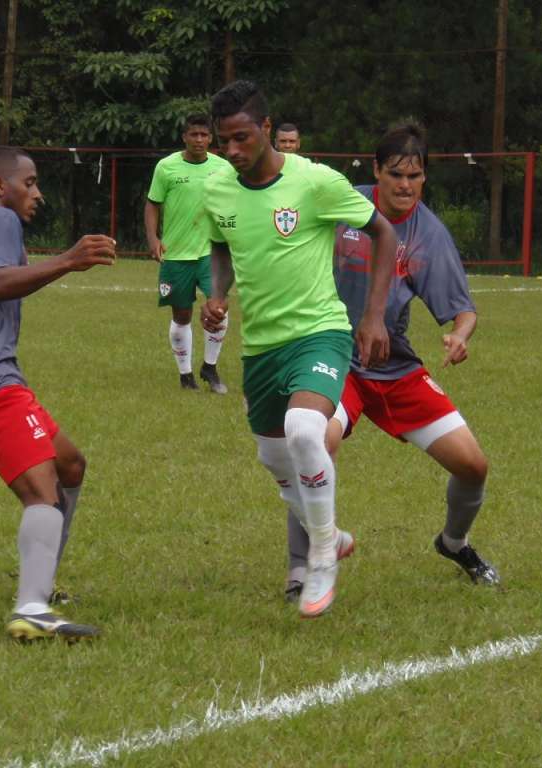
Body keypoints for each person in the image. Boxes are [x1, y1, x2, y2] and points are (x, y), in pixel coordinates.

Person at [201, 81, 398, 618]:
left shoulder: (314, 181)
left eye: (243, 138)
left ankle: (320, 557)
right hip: (261, 347)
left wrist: (374, 315)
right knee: (275, 460)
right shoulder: (219, 188)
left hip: (319, 332)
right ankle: (330, 533)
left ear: (266, 129)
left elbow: (384, 233)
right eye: (225, 142)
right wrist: (218, 295)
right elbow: (221, 242)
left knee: (305, 432)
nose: (234, 151)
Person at [0, 147, 117, 642]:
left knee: (70, 464)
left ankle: (42, 584)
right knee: (43, 490)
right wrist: (69, 260)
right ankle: (31, 607)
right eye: (29, 183)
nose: (37, 193)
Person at [299, 120, 498, 589]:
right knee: (316, 439)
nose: (405, 186)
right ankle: (313, 556)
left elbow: (462, 311)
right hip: (334, 355)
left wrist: (460, 335)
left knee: (474, 466)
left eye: (414, 176)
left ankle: (453, 542)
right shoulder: (342, 203)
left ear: (425, 176)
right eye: (395, 175)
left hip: (392, 365)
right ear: (377, 172)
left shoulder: (429, 234)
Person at [145, 114, 233, 393]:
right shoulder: (166, 167)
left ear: (211, 138)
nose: (199, 140)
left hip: (211, 252)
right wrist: (153, 238)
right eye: (193, 134)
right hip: (176, 253)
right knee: (181, 315)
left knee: (218, 308)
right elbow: (152, 204)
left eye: (204, 135)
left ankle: (210, 367)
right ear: (184, 136)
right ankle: (186, 376)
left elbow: (233, 203)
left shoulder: (222, 168)